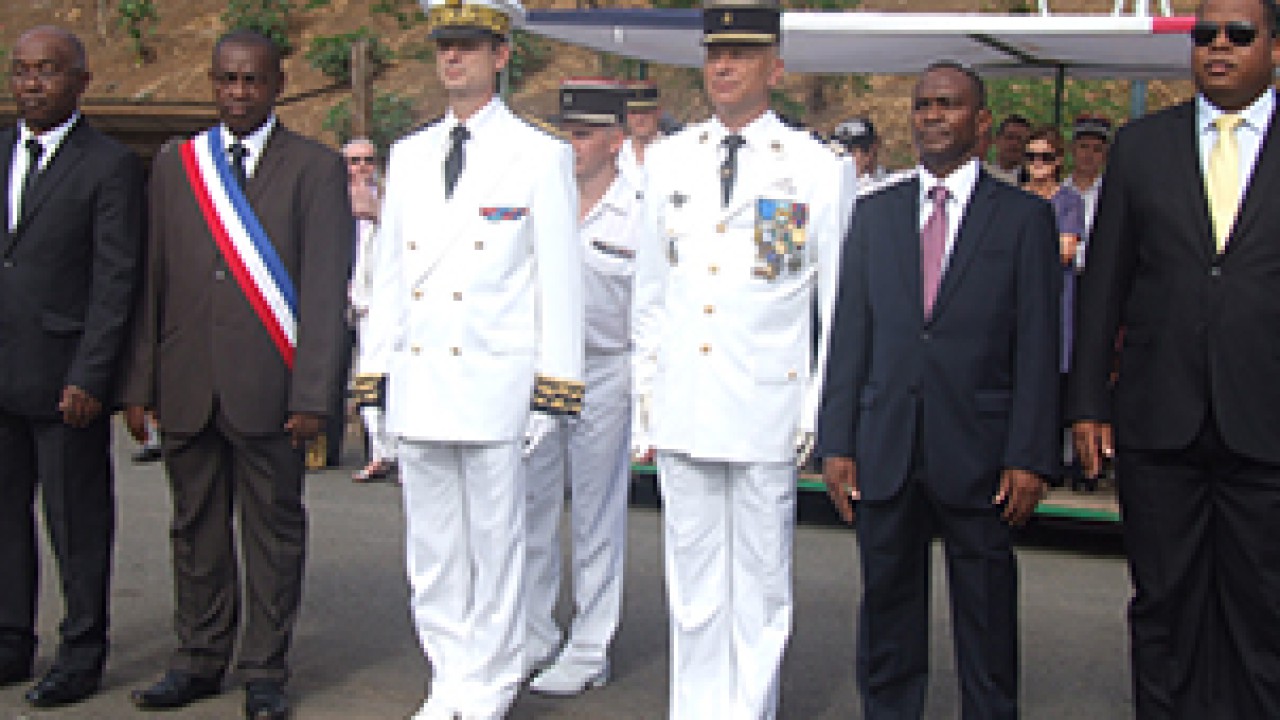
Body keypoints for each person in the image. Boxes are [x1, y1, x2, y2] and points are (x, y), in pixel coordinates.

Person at [356, 0, 584, 716]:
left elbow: (559, 284)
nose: (453, 58)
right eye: (444, 45)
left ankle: (489, 681)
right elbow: (390, 276)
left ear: (502, 55)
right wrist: (374, 378)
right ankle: (447, 674)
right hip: (423, 377)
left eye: (469, 45)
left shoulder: (539, 155)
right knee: (434, 549)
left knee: (498, 544)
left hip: (495, 380)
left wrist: (556, 388)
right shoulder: (409, 153)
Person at [121, 29, 353, 720]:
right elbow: (152, 278)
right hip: (188, 382)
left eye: (252, 81)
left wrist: (315, 394)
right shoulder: (175, 164)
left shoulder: (314, 167)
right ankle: (196, 658)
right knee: (194, 531)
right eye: (227, 80)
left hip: (273, 390)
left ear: (278, 84)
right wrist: (140, 383)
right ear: (212, 83)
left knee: (272, 534)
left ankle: (263, 670)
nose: (238, 93)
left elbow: (323, 291)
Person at [817, 61, 1060, 720]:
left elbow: (1038, 345)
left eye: (948, 104)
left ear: (981, 121)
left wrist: (1032, 453)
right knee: (888, 613)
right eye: (923, 104)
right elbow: (850, 337)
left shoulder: (1021, 220)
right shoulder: (876, 215)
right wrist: (837, 442)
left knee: (985, 616)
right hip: (887, 445)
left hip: (982, 452)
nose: (931, 115)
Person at [631, 1, 852, 715]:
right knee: (692, 578)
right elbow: (651, 293)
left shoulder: (816, 168)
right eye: (715, 54)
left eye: (743, 55)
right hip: (687, 398)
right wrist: (646, 399)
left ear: (775, 68)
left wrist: (817, 412)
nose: (723, 66)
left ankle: (747, 708)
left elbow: (836, 307)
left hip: (767, 402)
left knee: (759, 581)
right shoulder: (668, 161)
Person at [1069, 0, 1280, 715]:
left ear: (1274, 48)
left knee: (1262, 611)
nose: (1218, 46)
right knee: (1164, 607)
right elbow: (1105, 285)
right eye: (1204, 35)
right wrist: (1088, 402)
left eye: (1239, 35)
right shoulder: (1142, 146)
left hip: (1266, 424)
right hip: (1160, 421)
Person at [0, 25, 144, 710]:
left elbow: (116, 281)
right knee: (4, 520)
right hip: (1, 373)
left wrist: (92, 375)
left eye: (48, 71)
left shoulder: (108, 165)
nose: (32, 83)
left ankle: (82, 653)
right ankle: (9, 642)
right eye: (22, 70)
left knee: (76, 523)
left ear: (80, 81)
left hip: (66, 383)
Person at [522, 77, 641, 698]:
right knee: (530, 507)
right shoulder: (542, 193)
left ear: (617, 140)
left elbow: (650, 308)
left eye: (585, 133)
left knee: (596, 513)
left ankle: (591, 644)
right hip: (542, 368)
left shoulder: (641, 207)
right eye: (566, 131)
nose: (572, 144)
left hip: (605, 368)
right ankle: (534, 631)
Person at [1021, 126, 1087, 489]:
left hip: (1056, 298)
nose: (1037, 164)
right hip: (1021, 300)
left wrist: (1026, 257)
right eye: (1031, 157)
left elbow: (1066, 249)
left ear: (1058, 160)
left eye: (1045, 157)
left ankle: (1058, 461)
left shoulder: (1068, 200)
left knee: (1057, 381)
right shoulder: (1019, 197)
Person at [344, 137, 396, 483]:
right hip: (356, 305)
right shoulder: (331, 203)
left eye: (368, 159)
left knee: (388, 380)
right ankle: (379, 451)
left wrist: (377, 213)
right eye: (354, 161)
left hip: (389, 305)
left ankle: (398, 453)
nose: (362, 166)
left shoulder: (392, 199)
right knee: (364, 383)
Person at [1064, 114, 1112, 262]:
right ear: (1072, 149)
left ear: (1106, 155)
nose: (1088, 155)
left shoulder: (1112, 195)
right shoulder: (1058, 193)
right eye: (1083, 147)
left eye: (1097, 149)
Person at [619, 79, 661, 187]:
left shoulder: (675, 152)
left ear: (658, 112)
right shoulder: (615, 155)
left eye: (645, 111)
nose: (639, 118)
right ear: (626, 115)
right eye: (634, 112)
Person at [830, 116, 886, 183]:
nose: (845, 157)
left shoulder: (894, 183)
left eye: (850, 150)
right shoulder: (833, 188)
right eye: (841, 153)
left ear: (873, 147)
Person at [987, 113, 1031, 184]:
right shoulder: (983, 175)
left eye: (1020, 139)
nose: (1014, 143)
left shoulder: (1031, 181)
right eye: (1009, 137)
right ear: (997, 140)